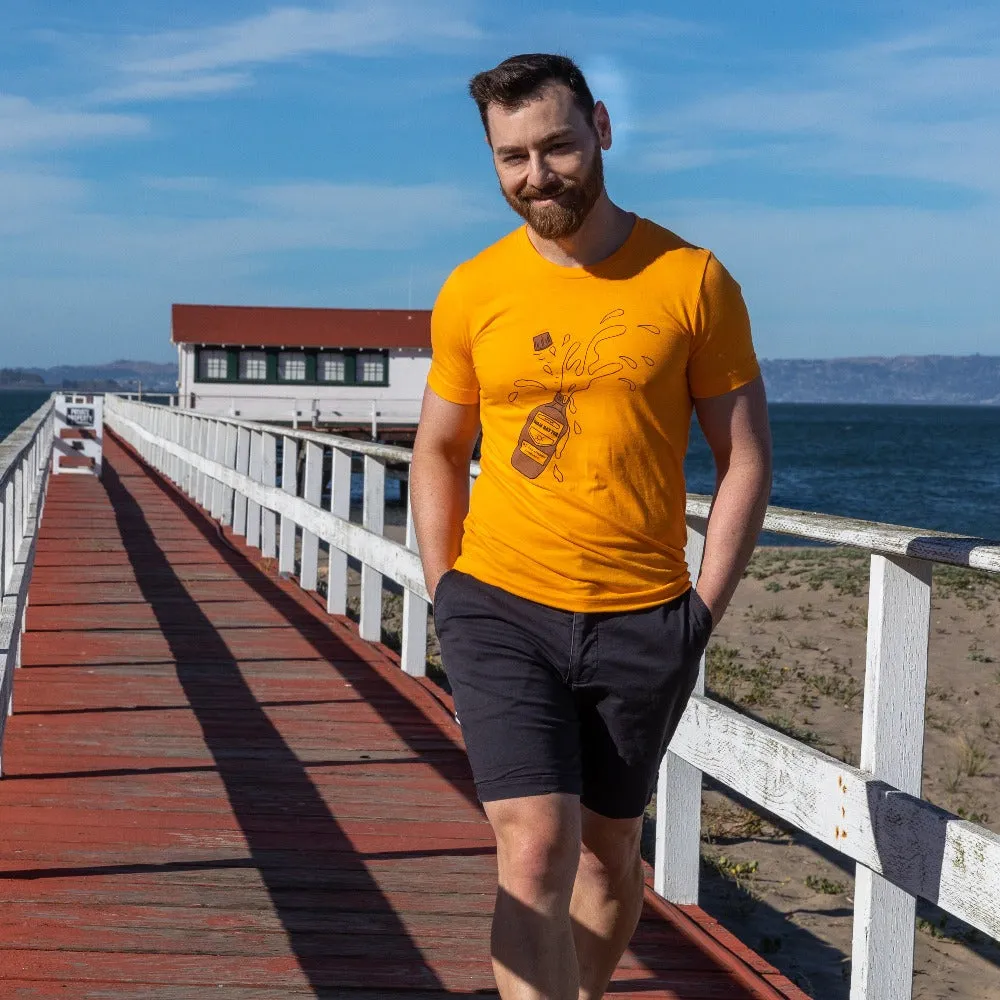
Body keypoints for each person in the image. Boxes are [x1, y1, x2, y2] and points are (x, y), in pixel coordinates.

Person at [410, 53, 772, 1000]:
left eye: (557, 147)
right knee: (534, 851)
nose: (536, 176)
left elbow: (745, 459)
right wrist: (447, 588)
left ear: (602, 129)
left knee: (611, 857)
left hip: (644, 615)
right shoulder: (472, 290)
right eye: (511, 158)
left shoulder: (692, 281)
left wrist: (701, 609)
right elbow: (440, 450)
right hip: (499, 604)